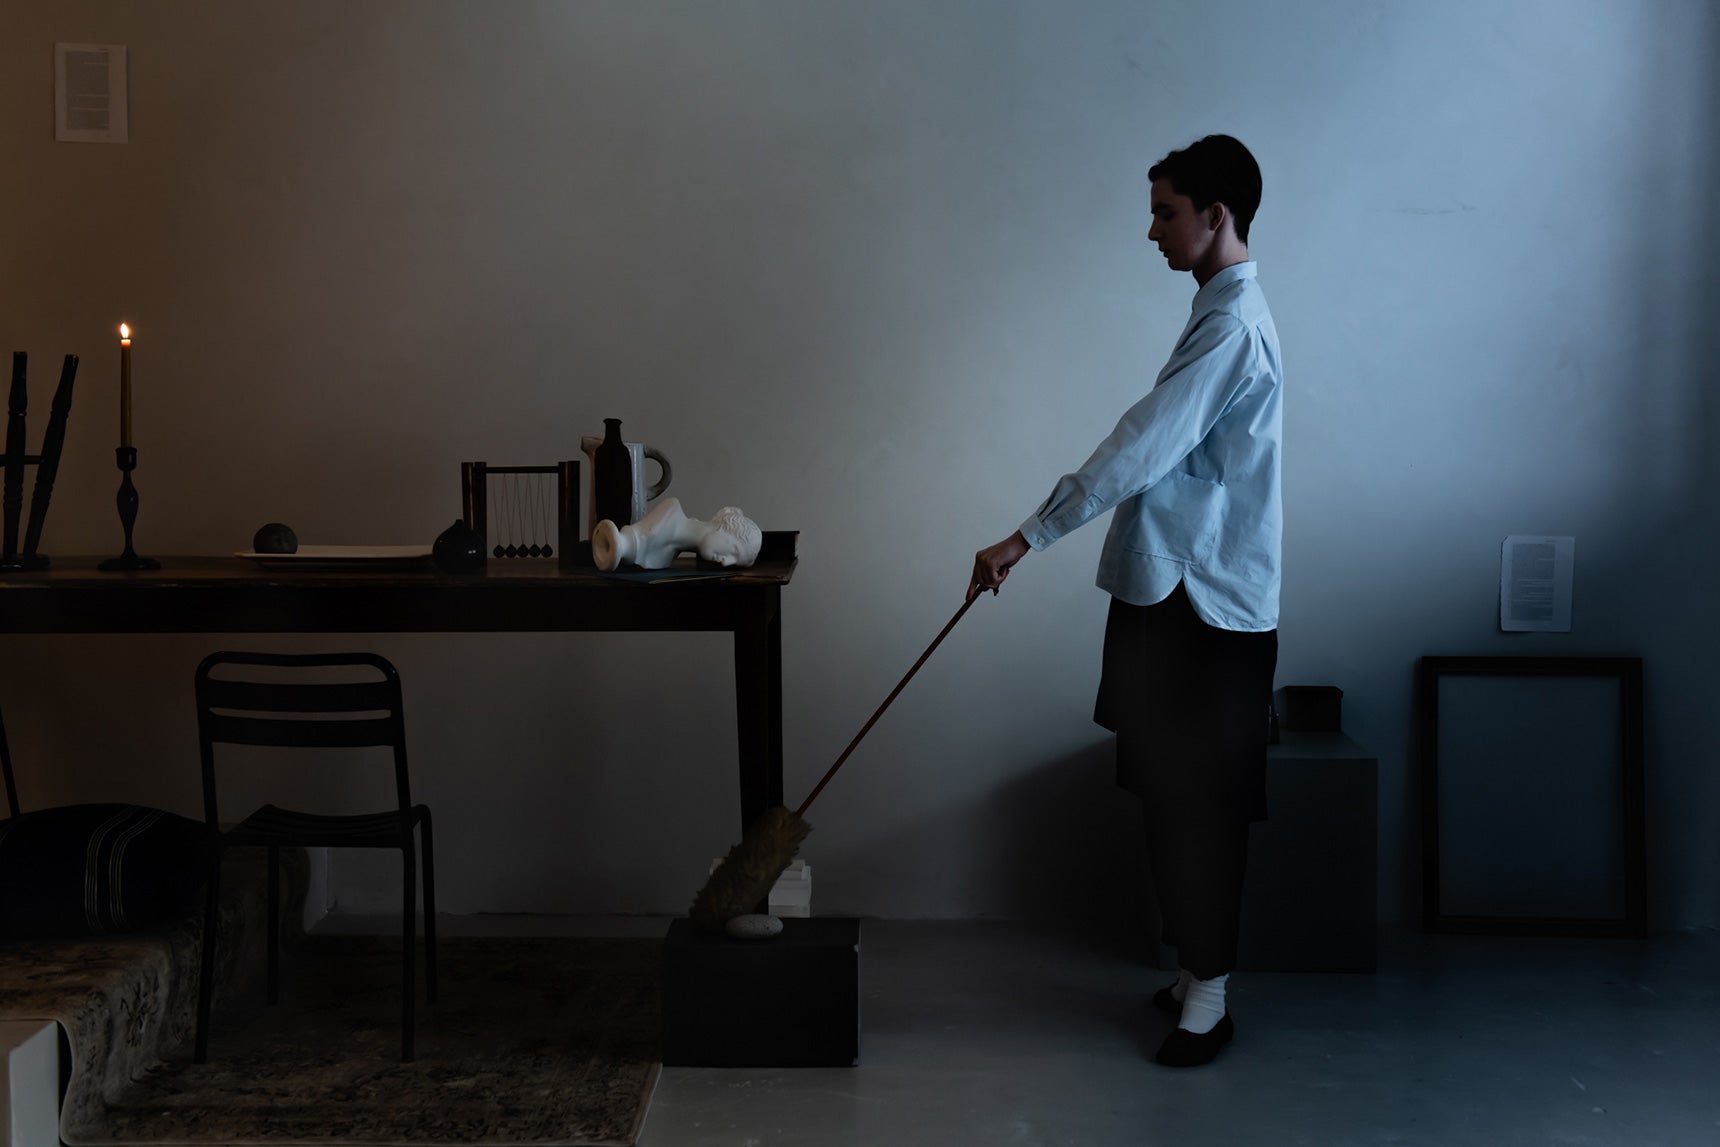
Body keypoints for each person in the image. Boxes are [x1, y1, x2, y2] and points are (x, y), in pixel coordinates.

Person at [968, 135, 1282, 1069]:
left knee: (1202, 803)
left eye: (1165, 213)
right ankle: (1193, 970)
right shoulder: (1217, 311)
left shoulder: (1233, 326)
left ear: (1215, 215)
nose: (1152, 232)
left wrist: (1027, 535)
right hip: (1172, 594)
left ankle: (1211, 992)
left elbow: (1141, 446)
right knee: (1166, 792)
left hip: (1204, 608)